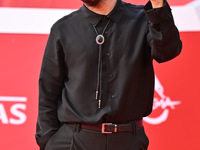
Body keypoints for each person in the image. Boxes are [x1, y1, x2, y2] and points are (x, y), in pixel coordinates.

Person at [35, 0, 182, 149]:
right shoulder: (63, 29)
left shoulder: (143, 20)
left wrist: (158, 5)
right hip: (74, 142)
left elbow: (167, 52)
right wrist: (48, 141)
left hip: (128, 141)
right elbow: (48, 91)